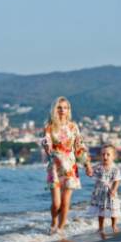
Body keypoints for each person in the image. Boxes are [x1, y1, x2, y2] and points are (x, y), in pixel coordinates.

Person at [41, 97, 93, 234]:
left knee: (65, 202)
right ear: (54, 109)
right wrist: (46, 147)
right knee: (56, 203)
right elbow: (46, 142)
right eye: (59, 107)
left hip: (70, 167)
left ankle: (60, 229)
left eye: (65, 107)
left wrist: (87, 164)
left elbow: (79, 147)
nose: (62, 110)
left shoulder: (73, 127)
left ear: (68, 110)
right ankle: (53, 221)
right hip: (55, 167)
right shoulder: (49, 126)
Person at [88, 144, 121, 238]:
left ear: (113, 156)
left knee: (113, 210)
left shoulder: (115, 168)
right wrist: (87, 166)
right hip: (99, 192)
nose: (105, 156)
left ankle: (114, 224)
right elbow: (90, 173)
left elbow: (117, 180)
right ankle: (100, 227)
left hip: (110, 192)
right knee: (101, 211)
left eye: (108, 154)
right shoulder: (98, 167)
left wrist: (114, 190)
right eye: (103, 154)